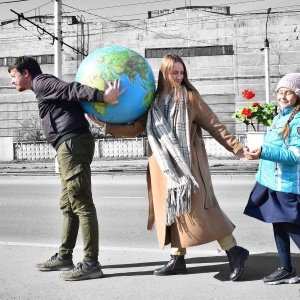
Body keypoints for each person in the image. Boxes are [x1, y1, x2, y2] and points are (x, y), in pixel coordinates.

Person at [89, 54, 249, 281]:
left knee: (203, 212)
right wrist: (106, 126)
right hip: (163, 167)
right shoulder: (152, 102)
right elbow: (136, 128)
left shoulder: (190, 98)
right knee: (172, 211)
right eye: (174, 72)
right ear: (164, 74)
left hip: (188, 166)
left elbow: (214, 124)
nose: (179, 77)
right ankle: (177, 259)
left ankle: (235, 251)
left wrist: (237, 148)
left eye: (182, 73)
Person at [8, 56, 125, 281]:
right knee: (68, 203)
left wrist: (103, 96)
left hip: (71, 144)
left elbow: (71, 89)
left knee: (81, 202)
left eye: (13, 76)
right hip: (68, 145)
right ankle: (64, 256)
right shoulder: (41, 86)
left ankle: (91, 263)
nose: (12, 82)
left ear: (25, 73)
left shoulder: (41, 82)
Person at [244, 73, 300, 285]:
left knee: (292, 226)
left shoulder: (298, 121)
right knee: (278, 224)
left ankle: (287, 268)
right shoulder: (279, 117)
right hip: (271, 182)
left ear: (297, 96)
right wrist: (256, 153)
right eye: (280, 92)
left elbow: (294, 157)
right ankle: (287, 269)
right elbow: (271, 149)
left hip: (286, 184)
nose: (283, 96)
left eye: (289, 92)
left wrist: (264, 152)